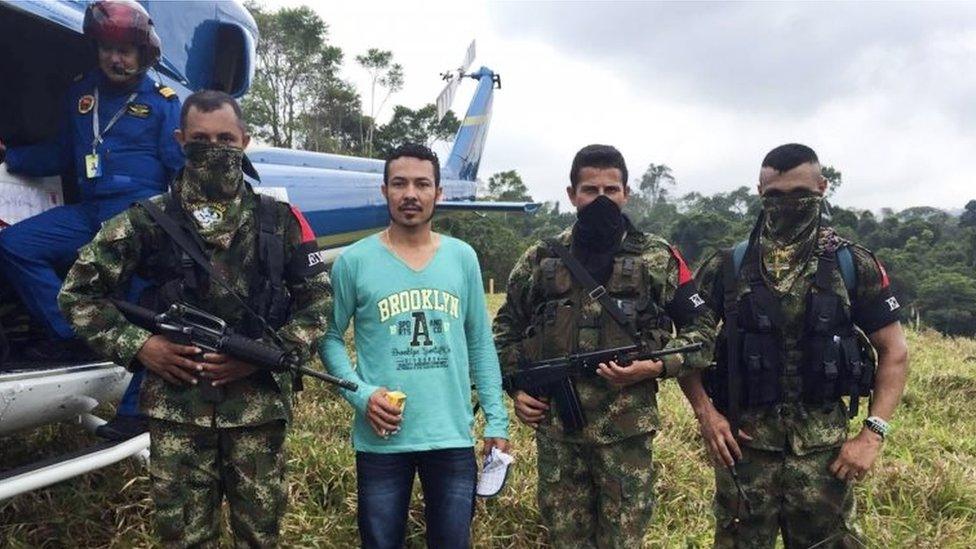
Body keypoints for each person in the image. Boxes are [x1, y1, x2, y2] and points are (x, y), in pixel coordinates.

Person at [58, 90, 331, 547]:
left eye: (225, 138)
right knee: (182, 539)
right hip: (176, 412)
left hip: (257, 415)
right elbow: (78, 293)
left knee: (259, 539)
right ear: (181, 140)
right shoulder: (146, 220)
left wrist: (267, 356)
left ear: (244, 141)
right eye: (200, 139)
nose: (213, 148)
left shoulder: (280, 220)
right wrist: (141, 346)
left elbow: (319, 300)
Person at [679, 143, 909, 548]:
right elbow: (689, 346)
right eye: (775, 195)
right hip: (744, 455)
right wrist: (706, 415)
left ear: (822, 187)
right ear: (759, 193)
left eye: (800, 193)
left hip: (825, 459)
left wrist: (872, 434)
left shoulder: (851, 265)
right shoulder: (726, 267)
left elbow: (894, 351)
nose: (787, 204)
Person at [493, 144, 716, 548]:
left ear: (626, 193)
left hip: (626, 437)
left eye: (610, 190)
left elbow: (703, 329)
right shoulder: (541, 257)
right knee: (565, 541)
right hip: (558, 434)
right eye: (590, 190)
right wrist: (517, 387)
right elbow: (505, 329)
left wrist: (656, 367)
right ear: (571, 194)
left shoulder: (656, 256)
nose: (601, 199)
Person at [0, 0, 184, 439]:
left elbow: (180, 168)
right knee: (15, 246)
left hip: (143, 217)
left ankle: (136, 410)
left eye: (126, 51)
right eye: (107, 49)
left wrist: (180, 232)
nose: (116, 59)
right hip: (89, 212)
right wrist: (12, 156)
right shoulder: (81, 96)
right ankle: (71, 331)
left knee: (150, 305)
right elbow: (63, 153)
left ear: (145, 54)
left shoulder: (163, 103)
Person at [320, 143, 510, 549]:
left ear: (438, 193)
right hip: (383, 435)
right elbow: (330, 337)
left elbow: (479, 340)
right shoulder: (354, 261)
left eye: (422, 184)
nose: (411, 194)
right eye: (400, 183)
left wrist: (496, 420)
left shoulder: (463, 257)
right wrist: (362, 395)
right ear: (384, 190)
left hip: (452, 435)